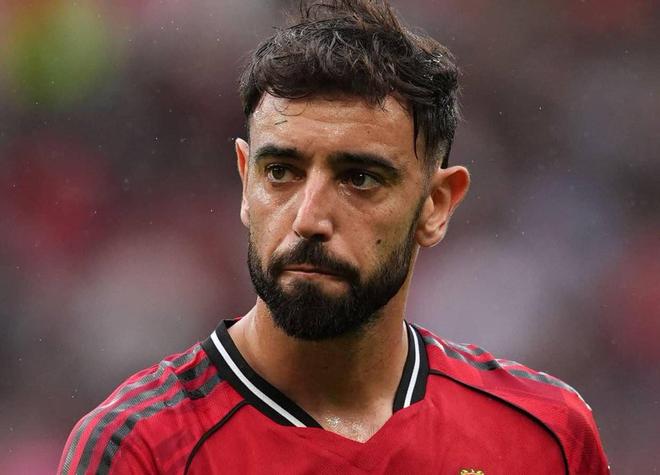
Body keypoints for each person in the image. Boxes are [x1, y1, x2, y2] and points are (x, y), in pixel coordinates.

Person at [58, 1, 609, 473]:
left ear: (436, 205)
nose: (308, 219)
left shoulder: (544, 436)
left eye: (359, 178)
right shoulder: (142, 450)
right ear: (245, 183)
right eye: (281, 172)